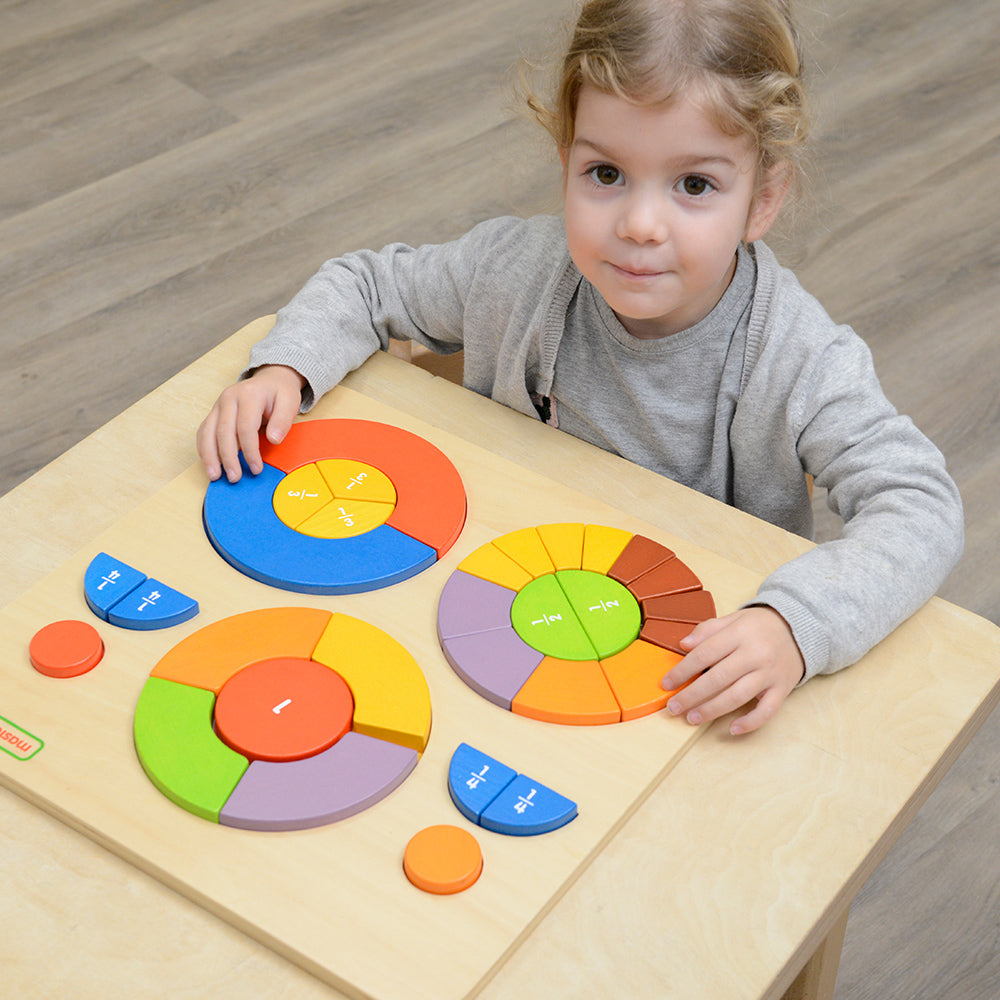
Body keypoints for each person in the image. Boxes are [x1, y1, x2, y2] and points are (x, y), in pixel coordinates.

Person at [197, 0, 963, 735]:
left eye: (694, 185)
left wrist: (795, 624)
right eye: (605, 174)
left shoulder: (798, 358)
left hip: (676, 675)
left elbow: (922, 506)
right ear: (566, 160)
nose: (638, 224)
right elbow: (366, 284)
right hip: (486, 603)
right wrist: (284, 370)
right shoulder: (514, 269)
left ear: (762, 199)